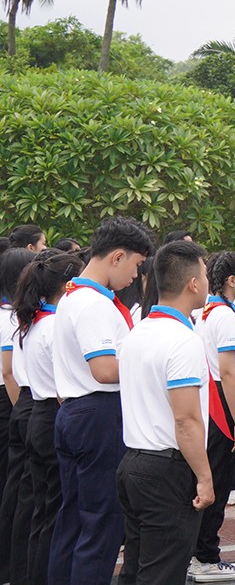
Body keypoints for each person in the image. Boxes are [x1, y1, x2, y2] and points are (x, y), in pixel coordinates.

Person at [51, 216, 155, 585]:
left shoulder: (73, 297)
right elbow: (105, 370)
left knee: (74, 520)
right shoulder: (93, 304)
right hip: (98, 414)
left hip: (77, 413)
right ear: (117, 256)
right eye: (136, 265)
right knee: (101, 525)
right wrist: (149, 364)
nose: (134, 276)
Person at [114, 240, 215, 585]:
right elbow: (185, 420)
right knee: (163, 573)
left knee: (137, 569)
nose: (207, 281)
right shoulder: (182, 340)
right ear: (193, 283)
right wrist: (204, 475)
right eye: (205, 273)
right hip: (166, 469)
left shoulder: (137, 331)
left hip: (134, 463)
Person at [10, 248, 81, 585]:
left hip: (36, 412)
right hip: (52, 413)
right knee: (54, 512)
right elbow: (63, 386)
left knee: (43, 509)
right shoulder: (54, 325)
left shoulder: (33, 321)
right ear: (67, 287)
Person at [191, 252, 235, 584]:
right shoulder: (225, 316)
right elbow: (228, 373)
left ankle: (199, 550)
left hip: (210, 397)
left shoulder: (208, 310)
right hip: (223, 400)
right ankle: (206, 555)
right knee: (220, 477)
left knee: (212, 474)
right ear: (232, 280)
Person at [0, 248, 35, 581]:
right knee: (19, 488)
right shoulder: (12, 316)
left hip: (16, 402)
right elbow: (9, 372)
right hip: (16, 400)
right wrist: (19, 412)